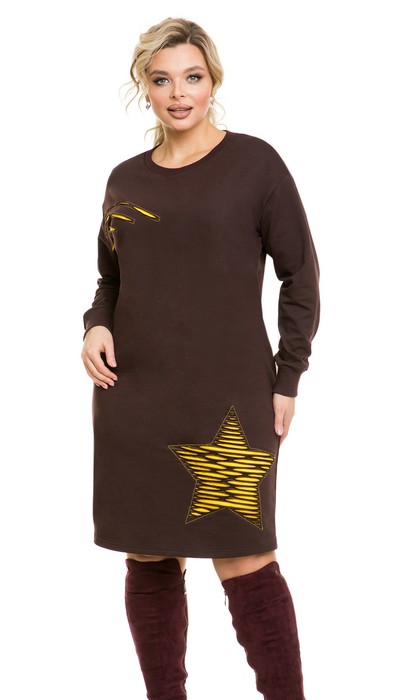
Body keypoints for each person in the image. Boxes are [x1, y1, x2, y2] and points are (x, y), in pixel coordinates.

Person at [81, 17, 320, 700]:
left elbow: (300, 276)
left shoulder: (255, 165)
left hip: (229, 399)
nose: (178, 93)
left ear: (213, 81)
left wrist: (288, 377)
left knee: (246, 557)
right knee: (150, 555)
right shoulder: (125, 181)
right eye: (162, 80)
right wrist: (96, 326)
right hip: (134, 400)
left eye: (192, 77)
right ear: (144, 88)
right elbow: (111, 281)